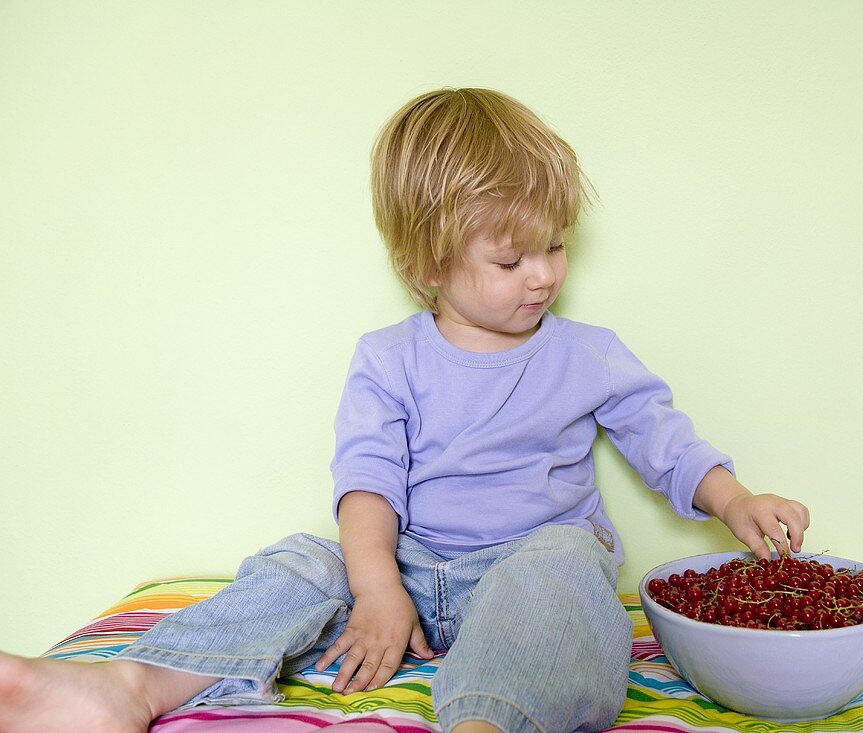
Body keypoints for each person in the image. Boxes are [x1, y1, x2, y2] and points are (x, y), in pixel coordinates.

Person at [0, 87, 810, 733]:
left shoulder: (587, 352)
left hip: (525, 570)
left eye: (555, 244)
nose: (544, 275)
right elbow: (369, 483)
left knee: (567, 562)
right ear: (427, 263)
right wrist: (380, 587)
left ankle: (488, 720)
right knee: (301, 561)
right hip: (410, 570)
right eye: (510, 257)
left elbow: (658, 434)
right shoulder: (389, 358)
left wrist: (731, 497)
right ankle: (132, 684)